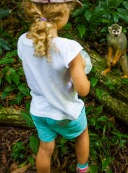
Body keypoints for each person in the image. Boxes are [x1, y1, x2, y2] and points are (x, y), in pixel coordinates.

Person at [17, 0, 91, 172]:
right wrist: (81, 67)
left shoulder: (22, 42)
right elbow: (83, 90)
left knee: (45, 148)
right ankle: (82, 168)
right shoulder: (69, 48)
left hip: (39, 112)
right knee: (82, 134)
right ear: (62, 14)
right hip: (66, 112)